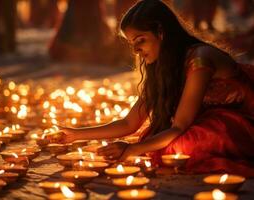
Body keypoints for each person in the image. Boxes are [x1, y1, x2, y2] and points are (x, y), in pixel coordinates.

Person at [59, 0, 254, 176]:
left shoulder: (199, 59)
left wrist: (132, 150)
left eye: (140, 40)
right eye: (131, 44)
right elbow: (129, 123)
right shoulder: (161, 66)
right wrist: (75, 135)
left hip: (243, 121)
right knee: (154, 139)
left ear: (160, 32)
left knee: (177, 145)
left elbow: (180, 125)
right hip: (208, 119)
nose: (135, 50)